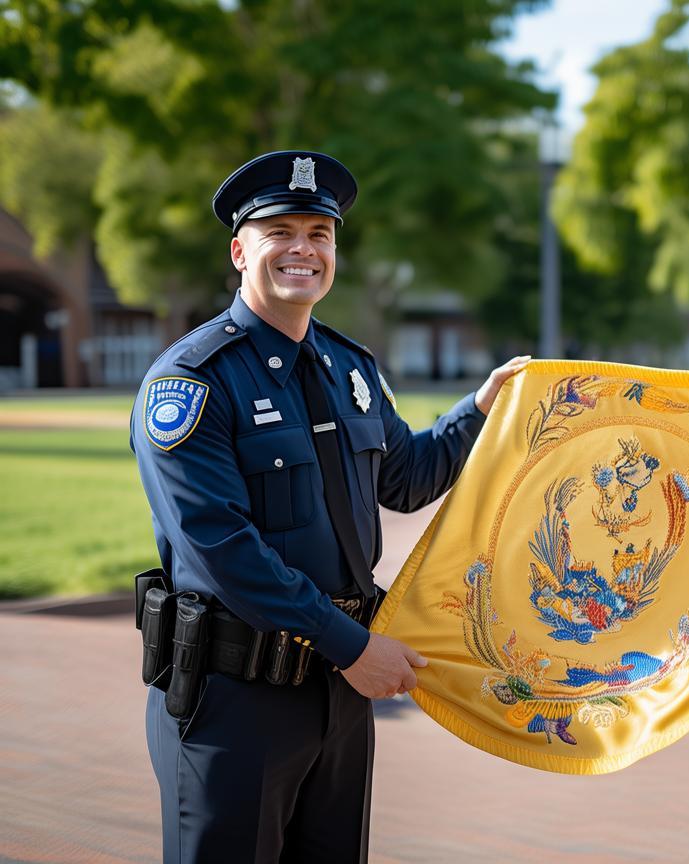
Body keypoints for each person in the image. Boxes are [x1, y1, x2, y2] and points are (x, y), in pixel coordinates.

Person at [130, 150, 529, 862]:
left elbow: (406, 478)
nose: (302, 249)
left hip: (339, 695)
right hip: (236, 698)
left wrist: (481, 409)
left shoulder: (351, 368)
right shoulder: (190, 383)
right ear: (239, 249)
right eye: (280, 230)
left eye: (319, 233)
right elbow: (222, 551)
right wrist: (353, 647)